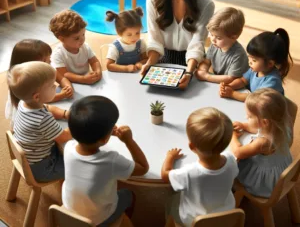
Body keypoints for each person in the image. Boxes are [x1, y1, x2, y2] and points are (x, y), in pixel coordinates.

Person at [63, 95, 149, 226]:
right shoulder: (112, 161)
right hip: (97, 219)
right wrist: (129, 141)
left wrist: (106, 133)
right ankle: (120, 221)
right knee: (129, 194)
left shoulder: (68, 147)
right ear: (104, 139)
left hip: (68, 211)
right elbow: (143, 168)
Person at [141, 0, 215, 89]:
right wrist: (149, 63)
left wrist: (189, 72)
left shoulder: (206, 5)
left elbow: (197, 43)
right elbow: (155, 38)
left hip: (193, 61)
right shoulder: (153, 0)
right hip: (163, 57)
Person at [161, 107, 238, 227]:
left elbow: (165, 175)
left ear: (191, 147)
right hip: (227, 214)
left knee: (171, 200)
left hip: (194, 220)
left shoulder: (189, 172)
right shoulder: (231, 159)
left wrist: (170, 157)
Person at [7, 62, 72, 182]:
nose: (56, 86)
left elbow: (47, 107)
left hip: (30, 158)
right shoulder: (42, 119)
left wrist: (65, 114)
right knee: (80, 166)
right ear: (37, 97)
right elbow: (64, 137)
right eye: (53, 86)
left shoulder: (24, 103)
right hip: (43, 168)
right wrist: (79, 122)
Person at [230, 88, 292, 198]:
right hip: (283, 167)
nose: (246, 118)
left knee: (230, 170)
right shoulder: (280, 125)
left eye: (249, 117)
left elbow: (238, 152)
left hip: (265, 184)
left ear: (264, 122)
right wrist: (244, 125)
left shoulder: (263, 142)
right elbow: (259, 128)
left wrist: (232, 136)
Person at [5, 39, 73, 125]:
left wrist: (67, 86)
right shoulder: (26, 83)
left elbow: (61, 78)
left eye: (49, 58)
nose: (50, 62)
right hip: (28, 115)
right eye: (45, 61)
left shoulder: (44, 69)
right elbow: (43, 98)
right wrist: (62, 95)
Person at [220, 28, 293, 102]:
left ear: (270, 63)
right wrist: (230, 86)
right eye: (249, 58)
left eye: (254, 60)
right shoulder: (255, 69)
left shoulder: (272, 81)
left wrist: (232, 93)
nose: (250, 62)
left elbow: (255, 98)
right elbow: (243, 80)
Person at [196, 7, 248, 83]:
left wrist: (206, 76)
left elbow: (231, 78)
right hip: (219, 83)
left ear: (234, 37)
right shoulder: (215, 45)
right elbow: (207, 62)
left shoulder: (239, 55)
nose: (213, 39)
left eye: (218, 37)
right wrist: (203, 70)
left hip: (235, 87)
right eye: (211, 34)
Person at [49, 10, 102, 85]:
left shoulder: (85, 47)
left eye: (83, 34)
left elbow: (94, 61)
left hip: (88, 79)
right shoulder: (58, 54)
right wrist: (82, 79)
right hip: (71, 84)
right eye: (77, 38)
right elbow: (64, 74)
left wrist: (98, 72)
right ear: (62, 39)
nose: (82, 39)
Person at [105, 7, 147, 73]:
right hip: (121, 78)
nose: (134, 37)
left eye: (137, 33)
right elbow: (109, 65)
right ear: (119, 33)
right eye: (129, 35)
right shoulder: (115, 47)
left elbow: (146, 58)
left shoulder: (141, 42)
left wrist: (141, 63)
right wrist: (126, 68)